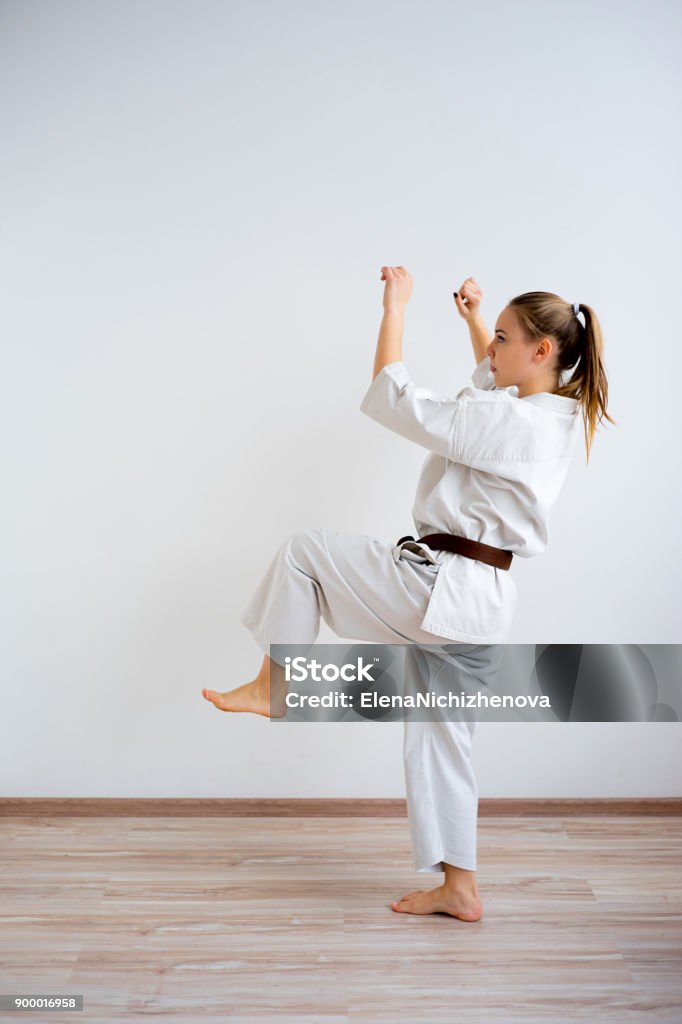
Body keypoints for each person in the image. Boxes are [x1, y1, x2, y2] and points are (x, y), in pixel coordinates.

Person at [201, 268, 615, 922]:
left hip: (441, 588)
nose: (490, 347)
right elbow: (497, 379)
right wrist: (478, 319)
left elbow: (394, 399)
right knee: (444, 739)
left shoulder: (513, 425)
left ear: (541, 352)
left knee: (305, 551)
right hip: (479, 607)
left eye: (503, 337)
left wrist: (394, 307)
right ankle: (461, 885)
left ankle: (274, 681)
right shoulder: (544, 417)